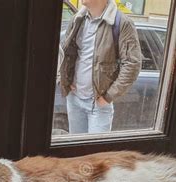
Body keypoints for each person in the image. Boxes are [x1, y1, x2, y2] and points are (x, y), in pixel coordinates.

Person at [58, 0, 142, 134]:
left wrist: (108, 96)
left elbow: (133, 64)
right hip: (74, 99)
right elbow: (62, 54)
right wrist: (62, 81)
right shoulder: (77, 20)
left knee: (96, 152)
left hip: (98, 104)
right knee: (76, 151)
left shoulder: (121, 23)